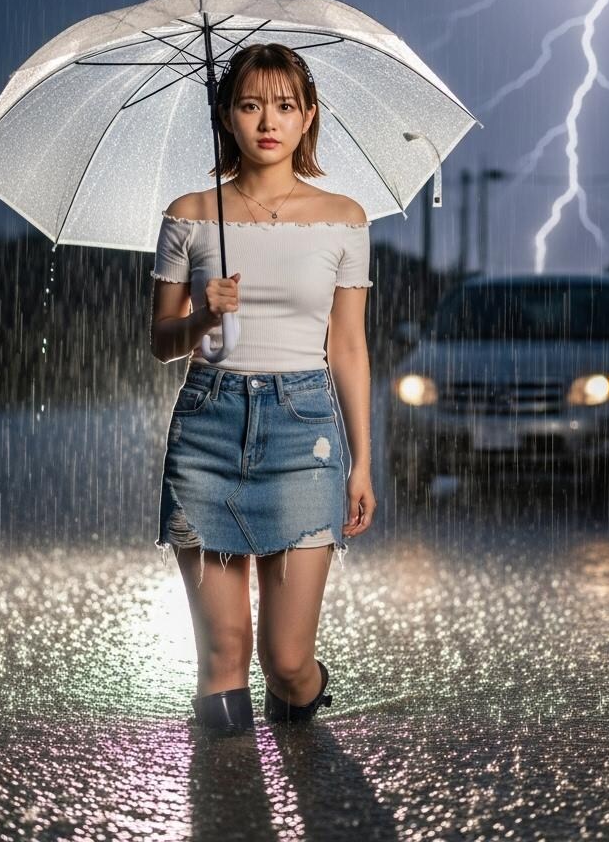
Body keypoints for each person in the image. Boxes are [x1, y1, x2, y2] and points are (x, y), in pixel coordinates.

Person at [149, 42, 376, 734]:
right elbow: (160, 343)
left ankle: (303, 704)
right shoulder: (190, 214)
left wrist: (362, 461)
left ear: (309, 117)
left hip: (303, 431)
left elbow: (347, 344)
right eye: (249, 105)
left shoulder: (344, 217)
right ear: (225, 115)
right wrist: (202, 318)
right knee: (223, 656)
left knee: (285, 660)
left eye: (284, 106)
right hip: (208, 426)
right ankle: (225, 810)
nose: (266, 122)